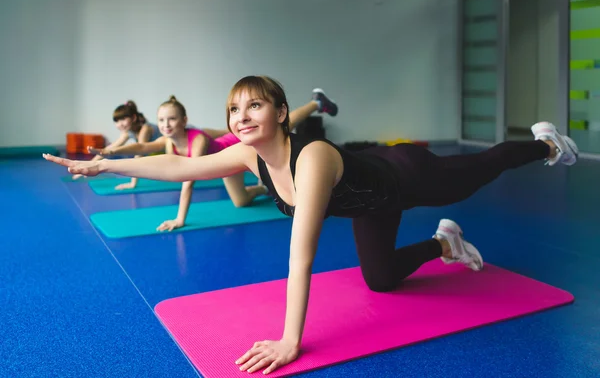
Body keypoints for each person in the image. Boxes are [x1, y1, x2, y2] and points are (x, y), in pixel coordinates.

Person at [44, 75, 579, 375]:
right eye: (234, 110)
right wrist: (104, 163)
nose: (241, 117)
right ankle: (445, 242)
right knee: (381, 280)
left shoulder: (313, 157)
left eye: (255, 105)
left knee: (478, 171)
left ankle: (546, 143)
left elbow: (301, 256)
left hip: (406, 176)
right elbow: (179, 165)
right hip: (371, 203)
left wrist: (289, 339)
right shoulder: (249, 157)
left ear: (281, 112)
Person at [88, 91, 338, 232]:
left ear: (184, 120)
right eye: (161, 120)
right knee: (240, 202)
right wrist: (110, 153)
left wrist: (180, 218)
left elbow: (188, 178)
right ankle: (262, 188)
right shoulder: (168, 140)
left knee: (283, 125)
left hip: (236, 151)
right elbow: (143, 146)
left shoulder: (195, 140)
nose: (165, 125)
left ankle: (316, 103)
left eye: (172, 120)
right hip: (224, 165)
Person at [72, 100, 162, 191]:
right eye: (117, 121)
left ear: (134, 118)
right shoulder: (128, 132)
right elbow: (110, 148)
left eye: (123, 119)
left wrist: (133, 183)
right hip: (156, 152)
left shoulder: (145, 129)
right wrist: (89, 165)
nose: (120, 124)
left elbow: (139, 154)